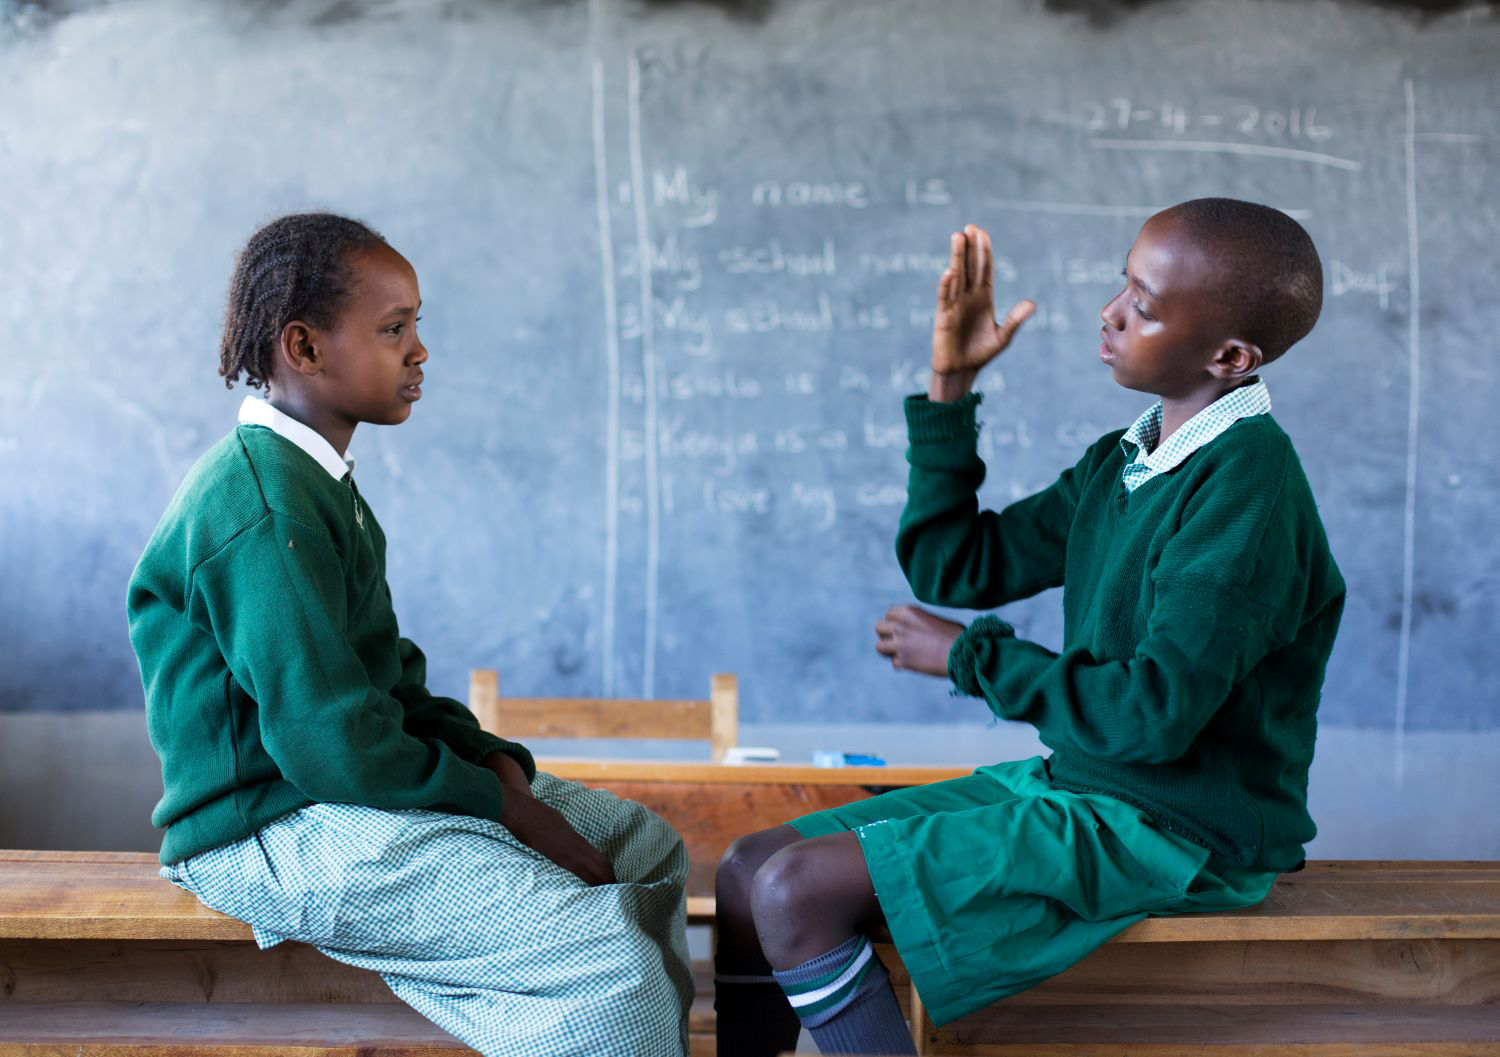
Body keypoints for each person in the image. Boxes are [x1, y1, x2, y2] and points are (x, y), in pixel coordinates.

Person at [714, 199, 1346, 1056]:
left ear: (1231, 356)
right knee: (748, 871)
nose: (1110, 312)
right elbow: (956, 565)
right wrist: (952, 384)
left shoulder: (1247, 482)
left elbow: (1154, 713)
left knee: (794, 891)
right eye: (1122, 283)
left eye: (1145, 304)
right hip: (1088, 784)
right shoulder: (1128, 459)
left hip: (1180, 831)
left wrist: (969, 658)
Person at [126, 213, 692, 1057]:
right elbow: (330, 744)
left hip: (337, 789)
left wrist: (492, 759)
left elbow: (391, 683)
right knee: (609, 964)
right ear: (304, 348)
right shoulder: (261, 499)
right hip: (271, 828)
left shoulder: (325, 486)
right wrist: (503, 806)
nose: (419, 351)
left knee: (646, 845)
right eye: (394, 330)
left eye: (417, 325)